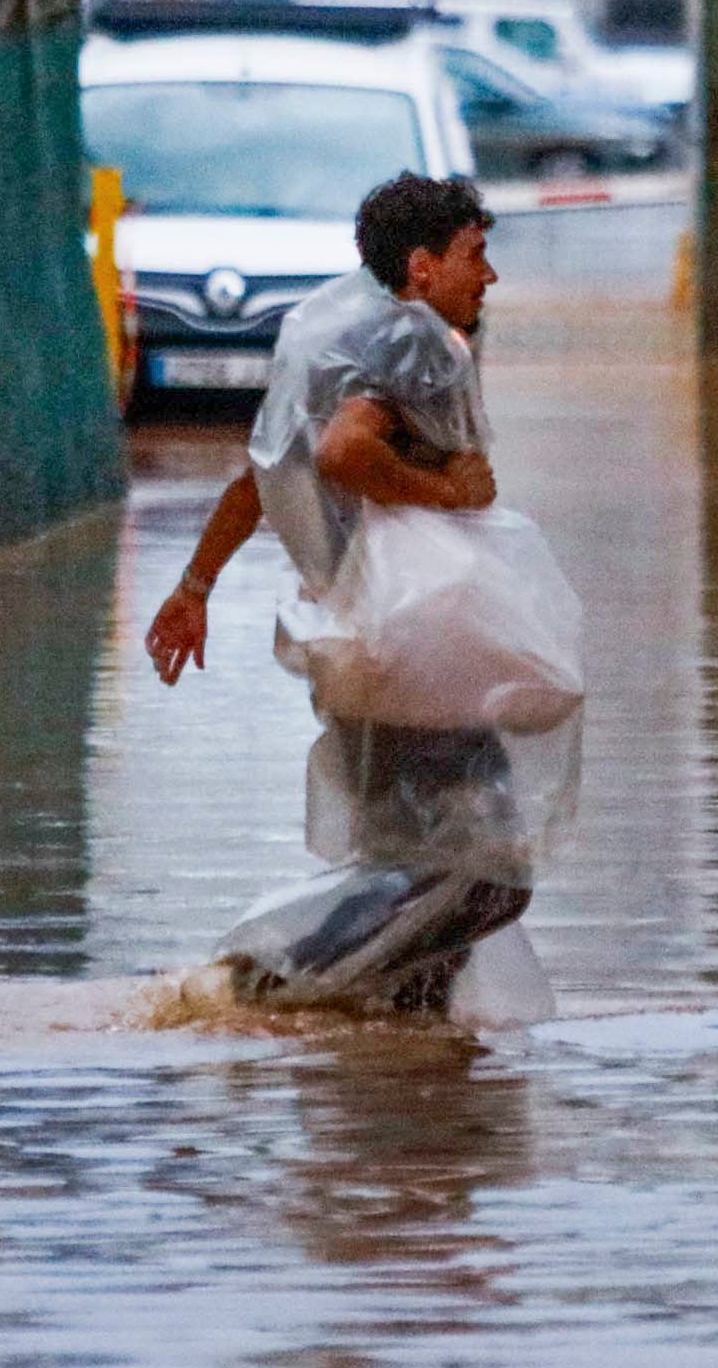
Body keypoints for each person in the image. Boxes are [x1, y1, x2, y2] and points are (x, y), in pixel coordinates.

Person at [147, 172, 553, 1015]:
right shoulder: (414, 345)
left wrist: (195, 586)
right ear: (422, 265)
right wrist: (448, 491)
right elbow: (341, 453)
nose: (489, 275)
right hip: (416, 654)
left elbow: (262, 478)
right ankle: (260, 977)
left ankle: (388, 1064)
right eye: (475, 254)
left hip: (362, 652)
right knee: (490, 875)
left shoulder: (335, 340)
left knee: (411, 871)